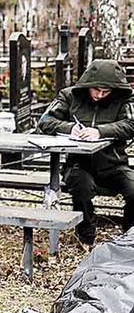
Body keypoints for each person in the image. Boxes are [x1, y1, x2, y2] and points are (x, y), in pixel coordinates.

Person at [38, 59, 134, 246]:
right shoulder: (69, 96)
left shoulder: (124, 99)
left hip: (114, 164)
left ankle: (129, 236)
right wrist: (69, 128)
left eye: (105, 92)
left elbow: (131, 124)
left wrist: (100, 131)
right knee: (82, 188)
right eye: (96, 89)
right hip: (78, 164)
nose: (99, 95)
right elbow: (45, 120)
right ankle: (86, 237)